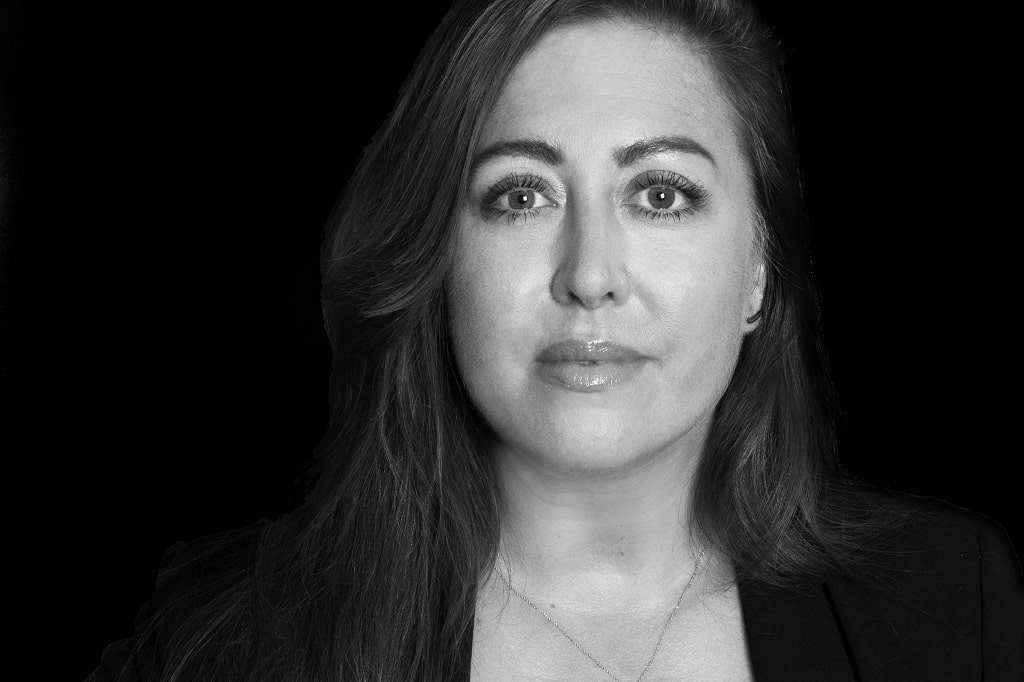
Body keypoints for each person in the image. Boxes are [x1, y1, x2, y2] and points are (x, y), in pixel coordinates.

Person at [87, 0, 1023, 680]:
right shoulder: (227, 639)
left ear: (758, 273)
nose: (590, 273)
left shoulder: (953, 605)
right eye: (521, 195)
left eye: (661, 194)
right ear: (438, 261)